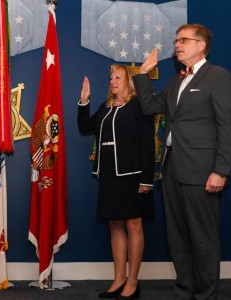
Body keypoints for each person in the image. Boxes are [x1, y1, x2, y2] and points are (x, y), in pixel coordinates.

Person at [134, 24, 231, 299]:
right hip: (172, 171)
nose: (177, 44)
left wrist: (221, 170)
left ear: (201, 45)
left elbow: (228, 127)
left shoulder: (218, 77)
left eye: (183, 40)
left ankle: (206, 295)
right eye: (176, 40)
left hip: (202, 172)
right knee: (178, 239)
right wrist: (142, 74)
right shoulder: (176, 80)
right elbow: (149, 107)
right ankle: (184, 292)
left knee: (203, 240)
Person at [77, 64, 155, 300]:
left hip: (134, 176)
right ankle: (119, 278)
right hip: (109, 176)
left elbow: (148, 144)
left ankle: (133, 281)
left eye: (118, 77)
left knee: (133, 225)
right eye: (111, 77)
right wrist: (84, 101)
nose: (112, 81)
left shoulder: (138, 107)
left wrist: (147, 180)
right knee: (115, 226)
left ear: (128, 81)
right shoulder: (105, 107)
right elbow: (84, 127)